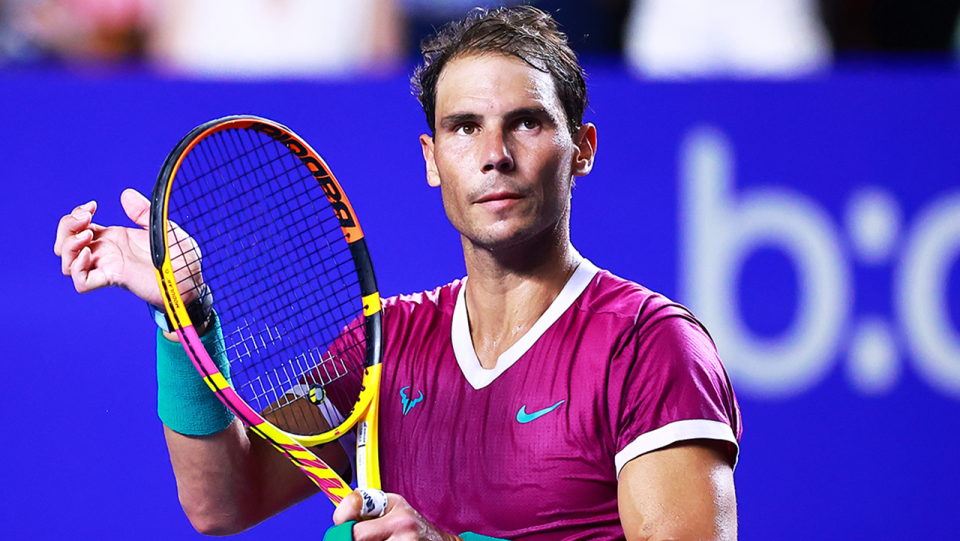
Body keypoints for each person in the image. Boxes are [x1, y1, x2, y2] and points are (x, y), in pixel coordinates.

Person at [54, 6, 741, 540]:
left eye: (526, 123)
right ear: (431, 158)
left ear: (582, 149)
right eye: (464, 127)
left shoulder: (649, 347)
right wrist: (183, 309)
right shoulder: (387, 343)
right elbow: (221, 499)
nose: (494, 154)